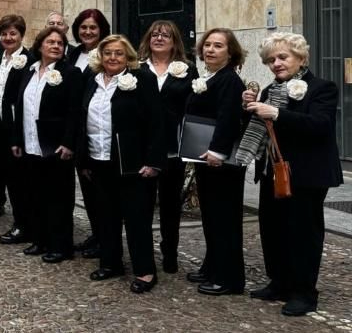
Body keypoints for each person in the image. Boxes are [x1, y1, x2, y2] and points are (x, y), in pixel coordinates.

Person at [239, 32, 342, 317]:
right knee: (272, 229)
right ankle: (280, 283)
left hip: (306, 173)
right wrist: (248, 107)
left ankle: (304, 293)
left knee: (303, 233)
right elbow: (261, 130)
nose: (276, 64)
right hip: (272, 170)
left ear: (301, 58)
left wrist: (276, 113)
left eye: (283, 57)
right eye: (271, 60)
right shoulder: (269, 90)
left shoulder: (322, 88)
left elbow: (320, 126)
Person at [78, 34, 162, 294]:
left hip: (132, 162)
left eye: (118, 53)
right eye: (108, 53)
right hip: (99, 158)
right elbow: (82, 118)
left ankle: (145, 271)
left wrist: (153, 161)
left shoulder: (142, 79)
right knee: (105, 215)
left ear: (128, 57)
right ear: (100, 56)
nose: (112, 57)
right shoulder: (91, 80)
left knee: (136, 218)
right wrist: (84, 159)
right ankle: (110, 263)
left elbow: (157, 122)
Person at [185, 28, 247, 296]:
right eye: (207, 45)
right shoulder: (210, 76)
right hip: (205, 157)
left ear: (230, 53)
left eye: (218, 46)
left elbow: (228, 118)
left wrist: (217, 151)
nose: (210, 49)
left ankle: (229, 278)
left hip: (221, 161)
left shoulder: (230, 80)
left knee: (225, 219)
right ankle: (212, 267)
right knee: (211, 217)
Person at [10, 27, 80, 264]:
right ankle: (40, 240)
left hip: (56, 146)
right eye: (51, 42)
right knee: (35, 195)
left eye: (60, 43)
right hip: (31, 143)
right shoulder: (28, 71)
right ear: (40, 46)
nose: (56, 46)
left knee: (58, 198)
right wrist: (17, 140)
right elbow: (20, 107)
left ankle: (61, 246)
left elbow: (74, 111)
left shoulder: (70, 73)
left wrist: (68, 143)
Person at [138, 20, 196, 273]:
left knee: (170, 205)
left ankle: (170, 252)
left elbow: (195, 105)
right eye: (155, 34)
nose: (159, 38)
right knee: (143, 204)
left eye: (165, 35)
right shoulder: (137, 68)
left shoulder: (187, 70)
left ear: (174, 42)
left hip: (173, 147)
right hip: (143, 148)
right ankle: (143, 255)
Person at [65, 8, 111, 257]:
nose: (88, 31)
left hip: (98, 127)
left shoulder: (108, 53)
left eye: (93, 27)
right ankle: (96, 233)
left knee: (101, 189)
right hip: (77, 128)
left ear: (102, 29)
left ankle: (106, 240)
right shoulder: (73, 53)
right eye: (83, 27)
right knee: (86, 185)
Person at [0, 15, 29, 238]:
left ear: (21, 35)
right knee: (1, 172)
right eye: (4, 33)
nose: (8, 37)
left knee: (18, 180)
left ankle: (22, 223)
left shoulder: (28, 60)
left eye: (13, 33)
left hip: (16, 128)